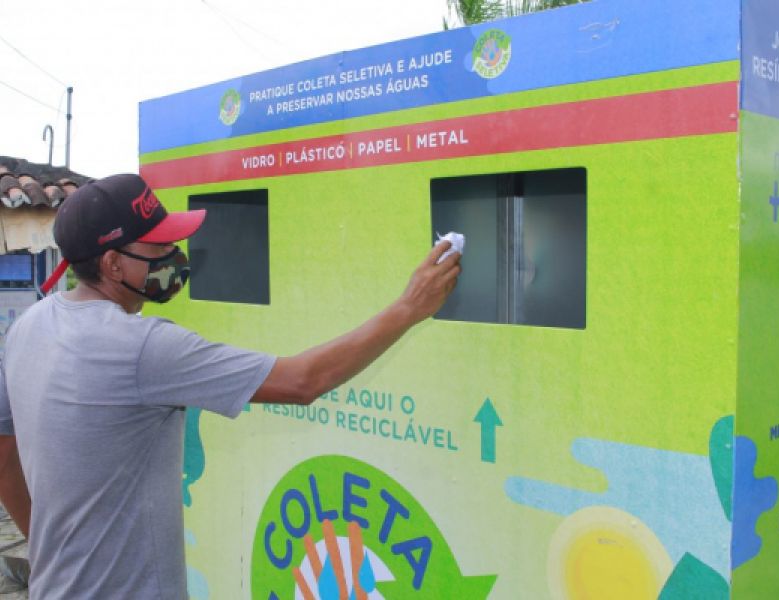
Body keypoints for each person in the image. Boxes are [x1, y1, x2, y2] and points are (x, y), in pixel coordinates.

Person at [0, 173, 461, 598]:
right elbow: (304, 381)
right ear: (113, 263)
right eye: (159, 247)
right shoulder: (141, 347)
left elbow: (4, 458)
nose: (175, 256)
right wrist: (409, 308)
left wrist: (53, 551)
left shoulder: (28, 327)